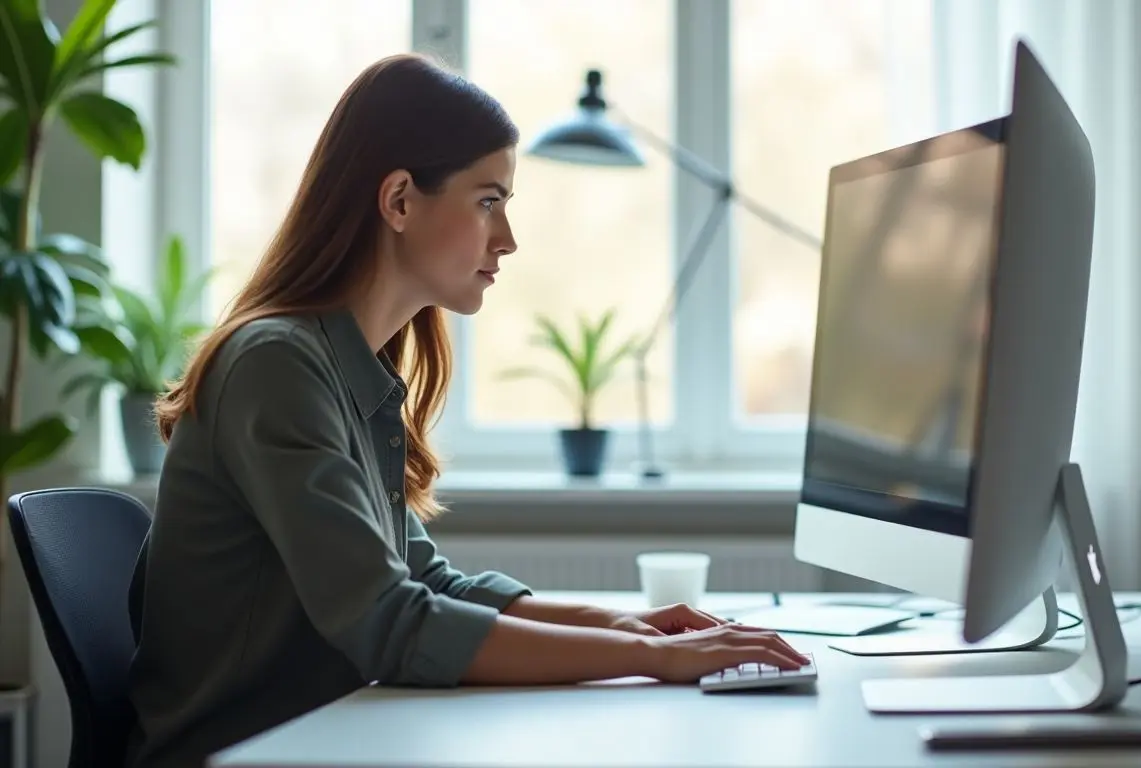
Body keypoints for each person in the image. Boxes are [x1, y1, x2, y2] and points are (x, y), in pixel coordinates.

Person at [124, 53, 807, 768]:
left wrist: (633, 626)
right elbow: (390, 622)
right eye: (489, 201)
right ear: (398, 201)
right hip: (234, 755)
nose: (507, 239)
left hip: (322, 738)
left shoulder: (349, 369)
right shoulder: (277, 366)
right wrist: (650, 658)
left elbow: (430, 585)